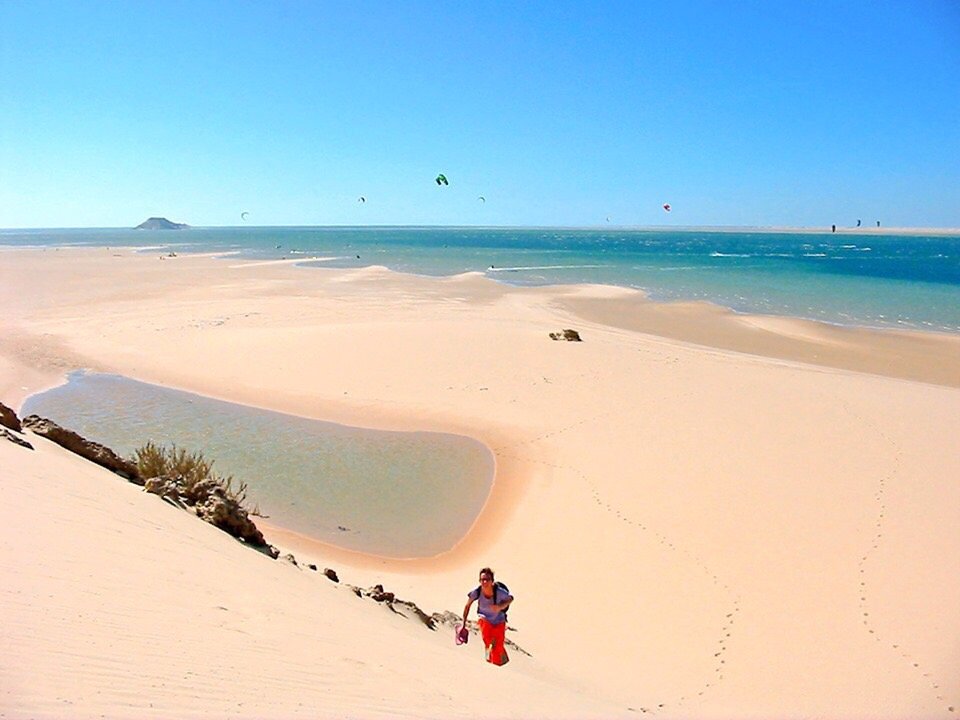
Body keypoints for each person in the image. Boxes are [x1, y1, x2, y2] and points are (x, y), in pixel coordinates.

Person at [462, 567, 513, 666]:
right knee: (488, 641)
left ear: (492, 581)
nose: (485, 582)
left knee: (497, 647)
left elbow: (510, 598)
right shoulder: (477, 592)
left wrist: (500, 607)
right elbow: (467, 606)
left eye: (487, 579)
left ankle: (496, 666)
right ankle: (491, 660)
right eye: (482, 580)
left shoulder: (499, 592)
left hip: (500, 621)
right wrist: (463, 624)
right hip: (484, 619)